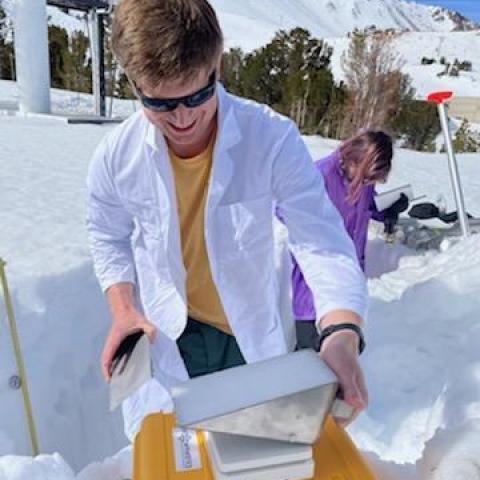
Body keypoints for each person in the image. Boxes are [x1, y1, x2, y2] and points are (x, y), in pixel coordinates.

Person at [86, 0, 368, 440]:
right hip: (172, 335)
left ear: (217, 63)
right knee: (179, 454)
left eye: (197, 95)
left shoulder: (270, 138)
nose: (181, 119)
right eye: (160, 103)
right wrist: (123, 309)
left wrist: (341, 334)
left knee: (255, 452)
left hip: (248, 334)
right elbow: (108, 235)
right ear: (134, 82)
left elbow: (321, 241)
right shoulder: (116, 157)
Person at [293, 130, 409, 350]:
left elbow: (363, 208)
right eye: (366, 177)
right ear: (351, 158)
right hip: (314, 289)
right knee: (310, 358)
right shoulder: (318, 176)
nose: (367, 183)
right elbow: (282, 212)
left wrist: (388, 210)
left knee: (343, 353)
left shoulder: (361, 180)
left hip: (347, 280)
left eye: (371, 180)